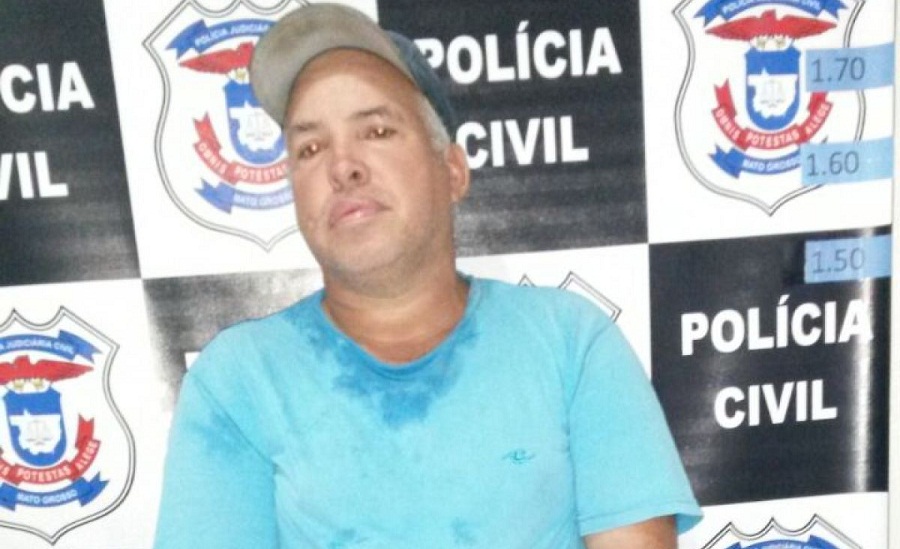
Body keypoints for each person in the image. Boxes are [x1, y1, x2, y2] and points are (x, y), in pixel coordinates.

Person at [154, 4, 701, 548]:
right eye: (310, 148)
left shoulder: (570, 342)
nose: (342, 167)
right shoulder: (239, 380)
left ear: (453, 170)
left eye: (377, 130)